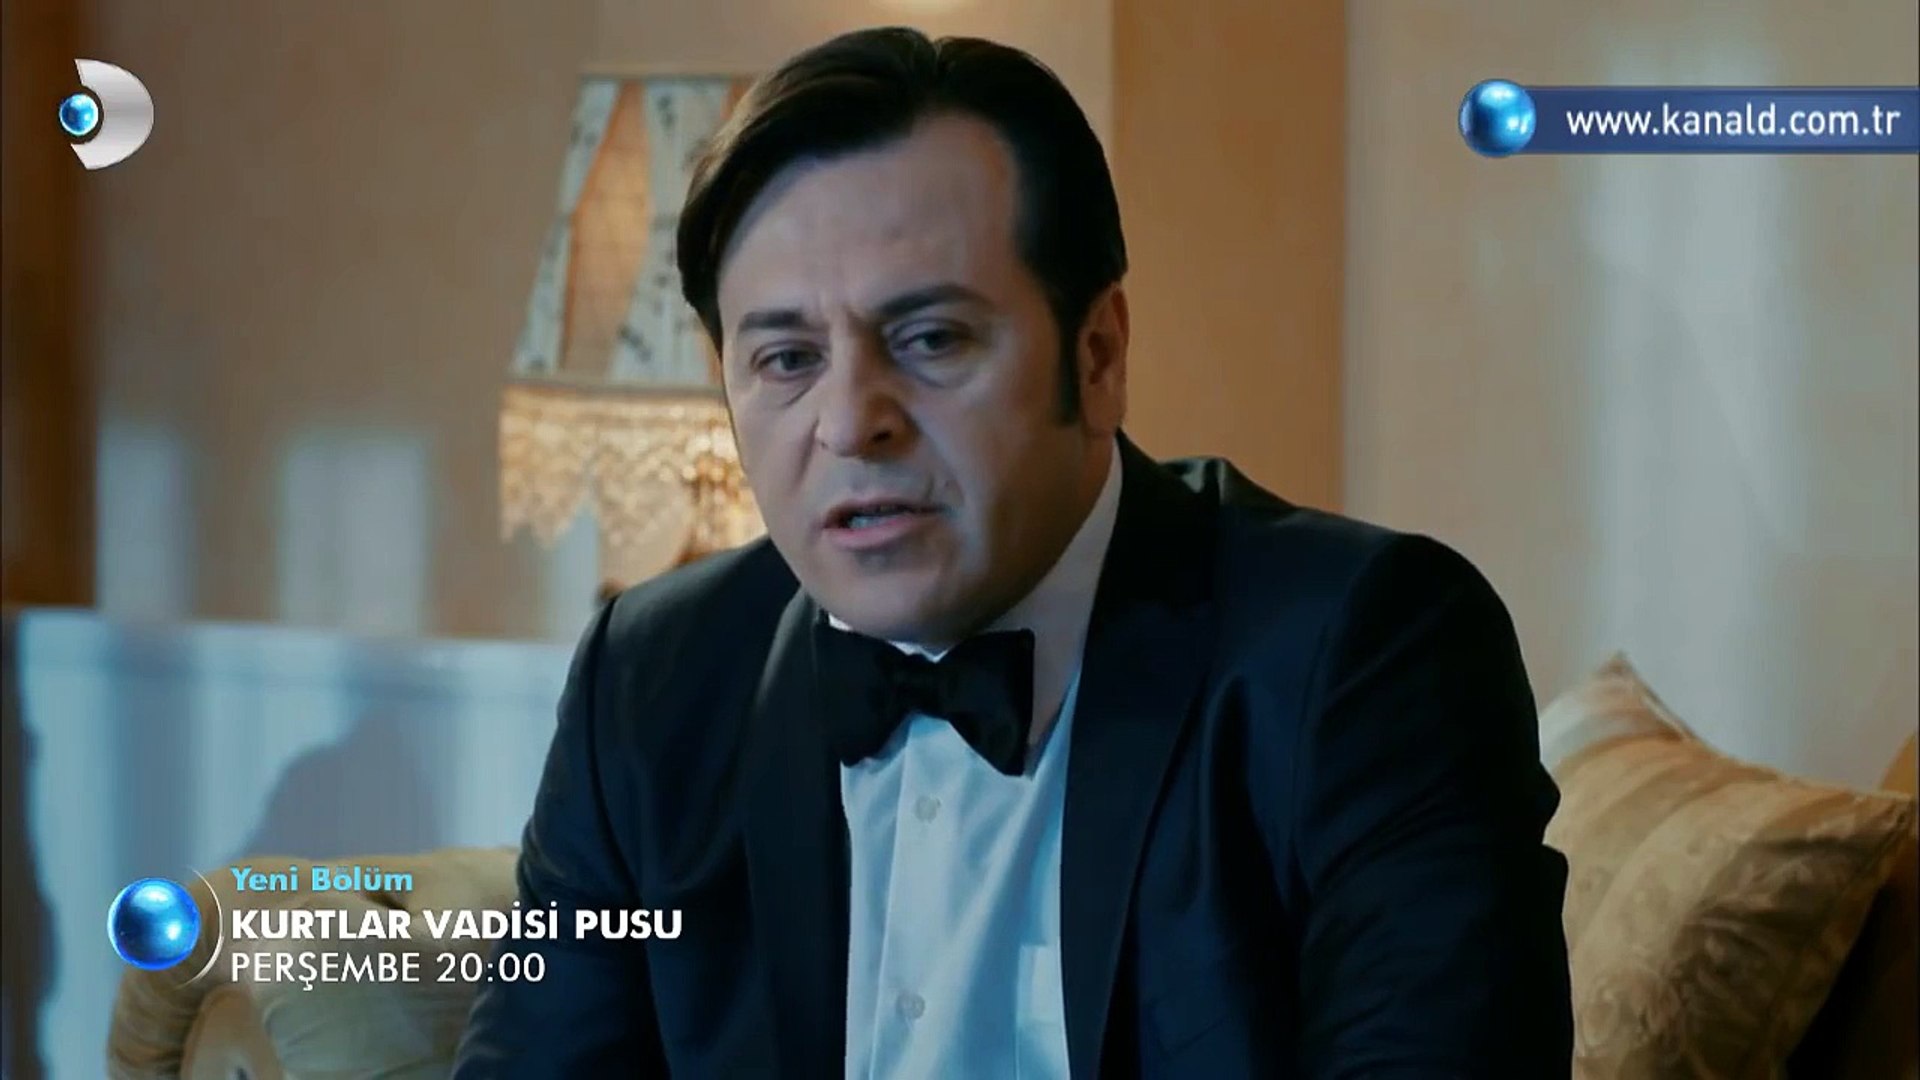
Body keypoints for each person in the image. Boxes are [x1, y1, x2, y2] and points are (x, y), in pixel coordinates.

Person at [454, 26, 1572, 1079]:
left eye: (930, 339)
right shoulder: (650, 681)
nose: (850, 423)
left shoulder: (1363, 656)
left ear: (1098, 357)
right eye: (787, 359)